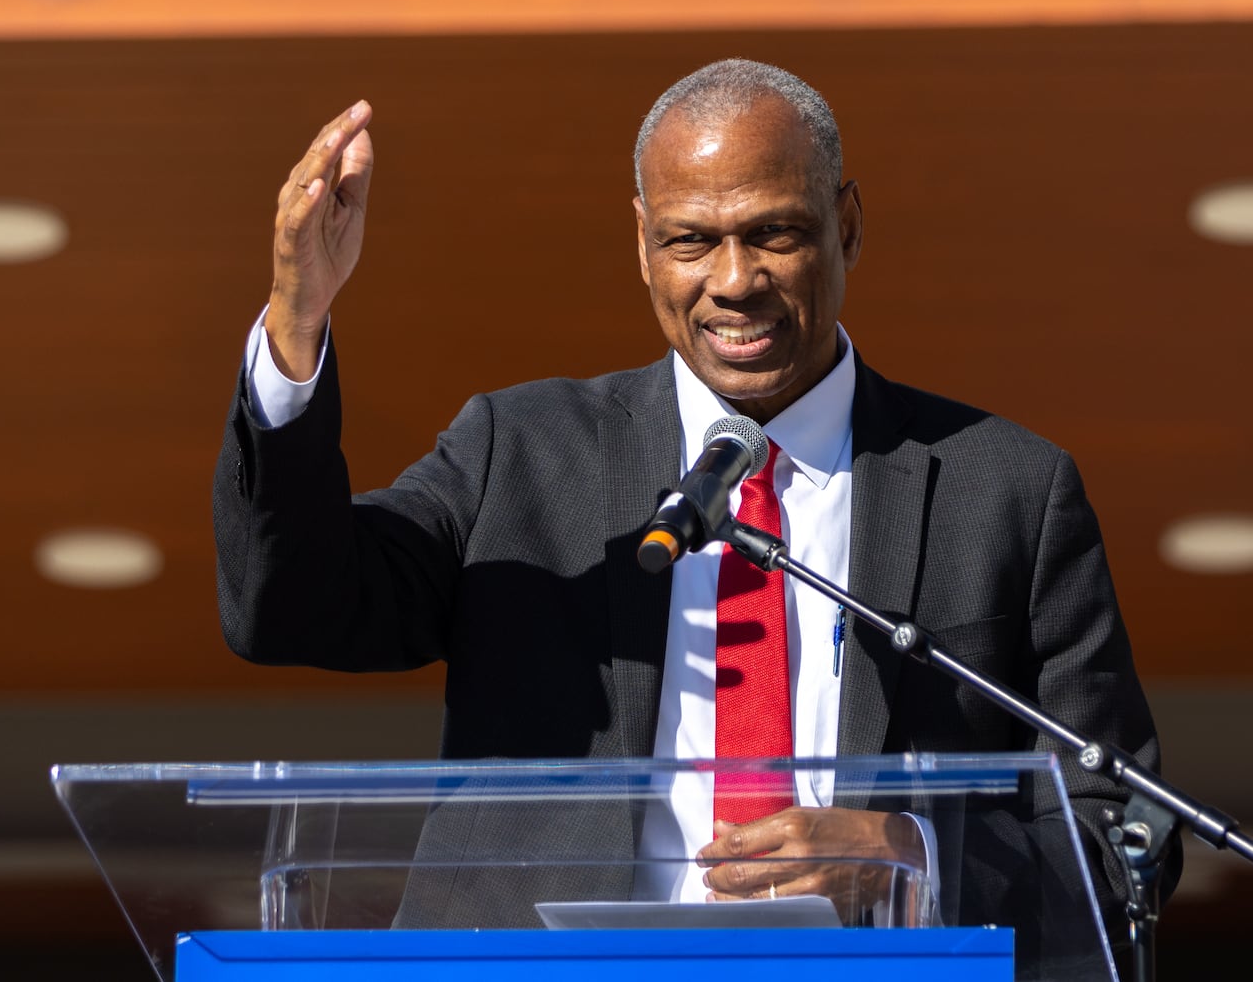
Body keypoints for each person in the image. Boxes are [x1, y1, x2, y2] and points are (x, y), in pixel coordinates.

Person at [214, 59, 1176, 953]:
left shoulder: (1005, 487)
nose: (732, 280)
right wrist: (297, 322)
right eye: (690, 241)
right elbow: (286, 602)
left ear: (845, 224)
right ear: (642, 244)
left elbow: (1128, 833)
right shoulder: (522, 451)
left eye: (774, 233)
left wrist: (910, 856)